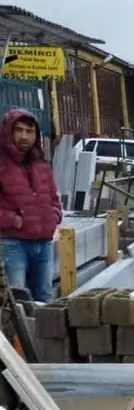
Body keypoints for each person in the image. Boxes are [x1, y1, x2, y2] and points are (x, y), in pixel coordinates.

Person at [0, 108, 62, 303]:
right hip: (14, 244)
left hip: (43, 243)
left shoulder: (41, 164)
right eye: (18, 130)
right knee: (19, 303)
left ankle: (42, 335)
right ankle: (18, 336)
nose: (24, 136)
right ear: (8, 132)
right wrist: (15, 221)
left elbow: (53, 197)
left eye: (29, 131)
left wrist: (53, 216)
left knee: (45, 299)